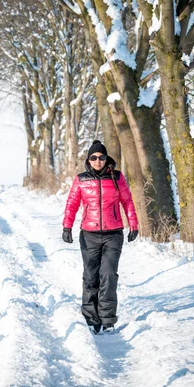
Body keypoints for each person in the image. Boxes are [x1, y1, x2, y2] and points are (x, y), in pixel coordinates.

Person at [62, 140, 138, 334]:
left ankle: (108, 319)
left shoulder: (117, 178)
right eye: (94, 157)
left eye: (102, 157)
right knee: (90, 276)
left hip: (113, 234)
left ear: (107, 159)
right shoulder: (81, 180)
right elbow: (72, 204)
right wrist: (67, 227)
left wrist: (133, 224)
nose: (98, 161)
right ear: (89, 159)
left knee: (109, 275)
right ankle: (91, 318)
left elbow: (127, 201)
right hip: (89, 234)